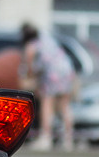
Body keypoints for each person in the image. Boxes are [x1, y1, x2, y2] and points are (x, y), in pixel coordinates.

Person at [24, 21, 76, 150]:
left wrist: (31, 75)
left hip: (51, 74)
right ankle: (68, 139)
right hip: (67, 71)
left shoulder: (31, 45)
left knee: (47, 104)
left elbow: (30, 67)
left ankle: (46, 137)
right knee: (65, 105)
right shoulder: (48, 40)